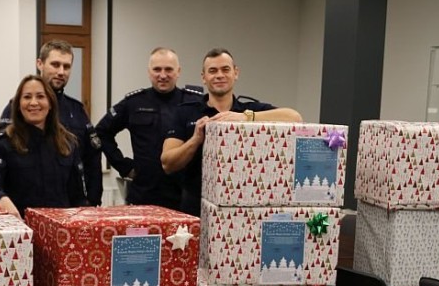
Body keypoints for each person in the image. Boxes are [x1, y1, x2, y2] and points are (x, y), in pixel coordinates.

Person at [161, 47, 303, 216]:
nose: (219, 75)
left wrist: (246, 118)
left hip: (241, 210)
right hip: (195, 208)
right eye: (212, 71)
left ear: (236, 73)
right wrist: (195, 140)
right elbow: (167, 163)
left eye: (225, 69)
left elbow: (294, 118)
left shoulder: (249, 109)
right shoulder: (185, 112)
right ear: (204, 78)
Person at [94, 47, 203, 210]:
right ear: (149, 72)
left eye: (169, 69)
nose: (163, 75)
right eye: (157, 69)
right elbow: (102, 131)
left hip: (185, 196)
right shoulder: (134, 102)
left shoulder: (194, 103)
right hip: (145, 195)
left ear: (178, 71)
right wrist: (125, 166)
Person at [0, 40, 103, 205]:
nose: (61, 72)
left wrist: (93, 201)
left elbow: (92, 159)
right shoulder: (19, 108)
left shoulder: (77, 110)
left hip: (67, 207)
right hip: (25, 204)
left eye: (66, 67)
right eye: (55, 65)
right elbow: (2, 156)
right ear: (40, 64)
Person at [0, 75, 87, 217]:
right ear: (18, 105)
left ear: (50, 103)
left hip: (59, 231)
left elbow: (78, 197)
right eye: (27, 97)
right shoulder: (3, 143)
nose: (33, 103)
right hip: (21, 230)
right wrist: (1, 199)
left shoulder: (68, 143)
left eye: (40, 96)